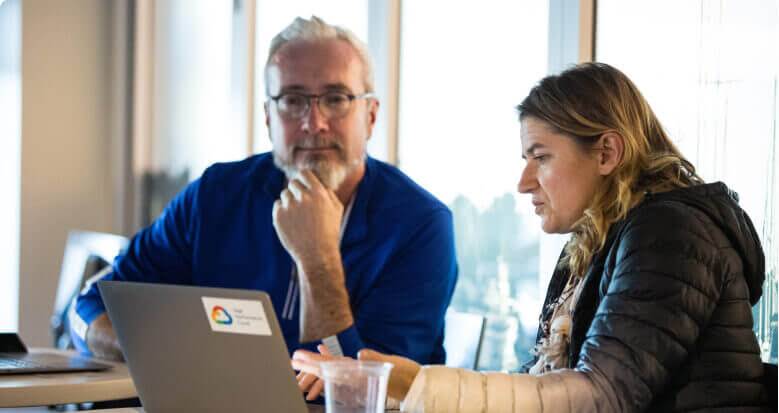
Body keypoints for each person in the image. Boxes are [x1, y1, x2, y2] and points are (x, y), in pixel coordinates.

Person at [292, 62, 770, 411]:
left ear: (606, 153)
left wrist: (419, 384)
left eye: (540, 157)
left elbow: (599, 396)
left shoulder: (671, 234)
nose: (524, 181)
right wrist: (398, 393)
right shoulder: (594, 245)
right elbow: (538, 385)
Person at [70, 15, 458, 388]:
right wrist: (171, 361)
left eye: (336, 98)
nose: (314, 122)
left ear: (371, 116)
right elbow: (88, 307)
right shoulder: (215, 195)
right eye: (293, 100)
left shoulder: (421, 225)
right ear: (269, 118)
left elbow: (372, 393)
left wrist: (317, 258)